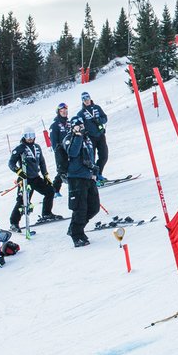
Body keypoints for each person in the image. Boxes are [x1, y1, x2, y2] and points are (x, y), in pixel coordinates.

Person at [8, 128, 58, 232]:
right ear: (24, 137)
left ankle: (47, 213)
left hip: (35, 177)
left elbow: (42, 162)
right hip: (25, 179)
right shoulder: (20, 148)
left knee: (50, 191)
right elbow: (11, 163)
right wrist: (18, 171)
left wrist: (45, 175)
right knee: (23, 201)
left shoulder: (37, 147)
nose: (30, 138)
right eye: (27, 136)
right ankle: (14, 222)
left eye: (32, 135)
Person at [64, 116, 100, 247]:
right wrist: (77, 135)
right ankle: (77, 234)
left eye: (82, 125)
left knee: (94, 207)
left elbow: (91, 156)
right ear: (72, 127)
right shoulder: (69, 138)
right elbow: (72, 153)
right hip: (76, 177)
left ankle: (75, 227)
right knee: (80, 208)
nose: (80, 128)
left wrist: (94, 171)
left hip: (88, 176)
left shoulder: (87, 139)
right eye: (77, 126)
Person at [78, 91, 109, 184]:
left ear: (90, 98)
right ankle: (94, 176)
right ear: (82, 101)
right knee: (92, 157)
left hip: (100, 135)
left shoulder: (97, 108)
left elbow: (105, 118)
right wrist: (84, 132)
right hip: (90, 137)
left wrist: (99, 120)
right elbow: (79, 125)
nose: (86, 101)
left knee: (104, 155)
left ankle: (99, 173)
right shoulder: (81, 113)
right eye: (84, 99)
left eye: (87, 98)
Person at [49, 102, 71, 197]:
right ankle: (54, 190)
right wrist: (57, 151)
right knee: (62, 170)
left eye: (66, 111)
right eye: (62, 111)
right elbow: (53, 141)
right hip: (61, 151)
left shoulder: (69, 123)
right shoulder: (55, 125)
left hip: (71, 149)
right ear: (59, 112)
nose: (64, 112)